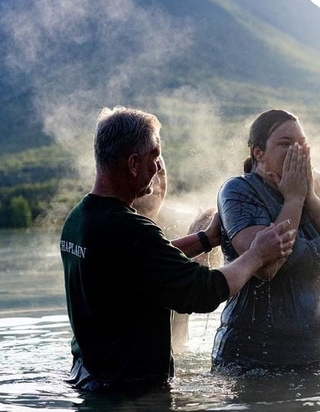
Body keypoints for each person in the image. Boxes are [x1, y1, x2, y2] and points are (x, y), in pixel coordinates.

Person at [59, 106, 296, 392]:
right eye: (154, 157)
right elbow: (204, 291)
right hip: (129, 392)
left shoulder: (80, 218)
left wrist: (207, 238)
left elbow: (144, 260)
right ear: (133, 164)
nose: (158, 169)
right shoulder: (130, 229)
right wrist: (256, 255)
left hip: (88, 376)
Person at [212, 109, 320, 373]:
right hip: (250, 363)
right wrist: (294, 200)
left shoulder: (318, 185)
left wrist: (313, 201)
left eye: (303, 145)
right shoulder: (239, 190)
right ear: (258, 152)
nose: (298, 152)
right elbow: (265, 268)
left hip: (313, 357)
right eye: (285, 144)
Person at [131, 158, 222, 352]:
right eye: (149, 170)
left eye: (161, 172)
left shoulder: (181, 221)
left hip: (176, 352)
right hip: (134, 357)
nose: (155, 183)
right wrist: (201, 241)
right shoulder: (117, 226)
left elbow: (208, 278)